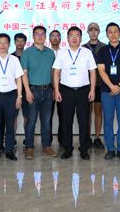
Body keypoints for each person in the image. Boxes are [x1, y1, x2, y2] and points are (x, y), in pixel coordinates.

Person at [52, 26, 97, 160]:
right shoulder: (62, 53)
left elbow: (92, 72)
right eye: (71, 35)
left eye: (77, 35)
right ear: (67, 38)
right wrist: (57, 90)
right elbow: (56, 72)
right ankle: (68, 149)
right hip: (66, 90)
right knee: (66, 121)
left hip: (83, 90)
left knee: (84, 121)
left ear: (81, 38)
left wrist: (92, 90)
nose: (74, 38)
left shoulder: (87, 52)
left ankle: (84, 149)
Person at [96, 22, 120, 160]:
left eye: (116, 31)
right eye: (110, 32)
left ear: (119, 33)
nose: (113, 34)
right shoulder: (102, 51)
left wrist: (118, 86)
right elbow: (101, 70)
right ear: (107, 34)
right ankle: (110, 149)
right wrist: (111, 86)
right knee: (108, 120)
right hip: (107, 91)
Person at [0, 33, 24, 161]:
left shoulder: (14, 60)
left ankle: (9, 151)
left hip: (11, 95)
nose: (2, 45)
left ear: (9, 45)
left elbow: (19, 79)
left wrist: (19, 96)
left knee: (10, 125)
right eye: (0, 43)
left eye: (5, 43)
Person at [21, 26, 58, 159]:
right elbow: (24, 74)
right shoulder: (27, 53)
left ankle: (46, 147)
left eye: (43, 34)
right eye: (37, 34)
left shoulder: (50, 53)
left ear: (45, 36)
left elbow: (53, 73)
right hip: (32, 90)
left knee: (46, 120)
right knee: (31, 120)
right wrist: (27, 91)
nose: (40, 36)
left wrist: (54, 89)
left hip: (48, 91)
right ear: (33, 36)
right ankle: (29, 147)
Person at [83, 22, 106, 149]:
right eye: (90, 29)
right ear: (87, 32)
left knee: (98, 112)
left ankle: (97, 138)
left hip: (100, 84)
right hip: (85, 84)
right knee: (86, 113)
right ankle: (86, 137)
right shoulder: (82, 47)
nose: (93, 31)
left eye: (95, 29)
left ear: (99, 32)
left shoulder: (105, 47)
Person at [13, 32, 29, 141]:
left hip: (27, 90)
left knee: (27, 116)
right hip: (13, 91)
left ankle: (27, 139)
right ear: (14, 42)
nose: (20, 43)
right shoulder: (10, 56)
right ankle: (12, 139)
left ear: (25, 42)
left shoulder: (28, 55)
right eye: (17, 40)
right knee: (12, 116)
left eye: (22, 41)